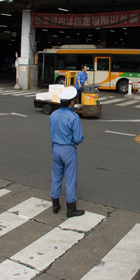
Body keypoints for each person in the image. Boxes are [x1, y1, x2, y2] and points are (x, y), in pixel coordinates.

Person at [49, 86, 85, 217]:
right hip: (68, 150)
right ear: (71, 102)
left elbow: (52, 133)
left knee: (56, 176)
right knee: (70, 178)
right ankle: (71, 209)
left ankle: (55, 205)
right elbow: (78, 138)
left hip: (56, 148)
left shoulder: (53, 115)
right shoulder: (73, 117)